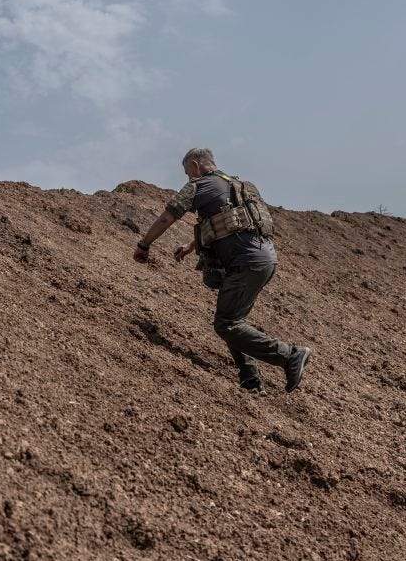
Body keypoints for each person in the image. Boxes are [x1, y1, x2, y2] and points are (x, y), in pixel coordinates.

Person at [132, 148, 312, 395]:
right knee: (234, 320)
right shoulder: (238, 185)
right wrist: (190, 246)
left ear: (195, 166)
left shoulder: (199, 186)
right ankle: (250, 379)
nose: (187, 178)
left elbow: (167, 218)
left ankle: (290, 355)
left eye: (187, 173)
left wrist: (144, 245)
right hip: (264, 259)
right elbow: (229, 223)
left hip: (245, 263)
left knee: (226, 324)